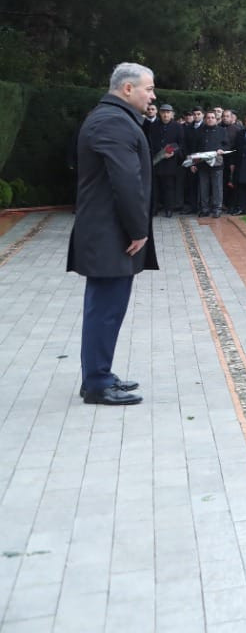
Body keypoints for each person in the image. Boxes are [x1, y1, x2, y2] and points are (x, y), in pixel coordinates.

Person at [68, 63, 159, 406]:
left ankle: (98, 373)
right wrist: (137, 229)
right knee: (104, 309)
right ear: (127, 89)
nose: (153, 95)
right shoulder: (112, 121)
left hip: (109, 231)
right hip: (111, 234)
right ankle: (96, 383)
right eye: (148, 89)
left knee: (106, 307)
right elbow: (126, 180)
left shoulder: (113, 118)